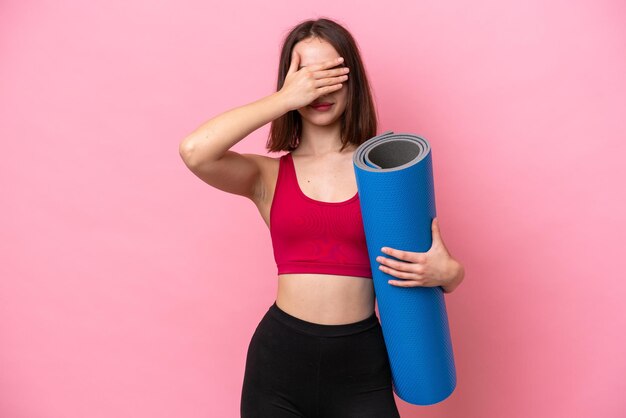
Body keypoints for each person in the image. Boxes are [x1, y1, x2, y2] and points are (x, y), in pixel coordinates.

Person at [179, 17, 464, 418]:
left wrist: (447, 273)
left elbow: (442, 268)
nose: (320, 88)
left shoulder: (384, 172)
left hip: (361, 366)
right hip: (279, 363)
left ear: (353, 82)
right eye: (307, 76)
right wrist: (283, 99)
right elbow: (195, 151)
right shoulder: (268, 176)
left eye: (333, 74)